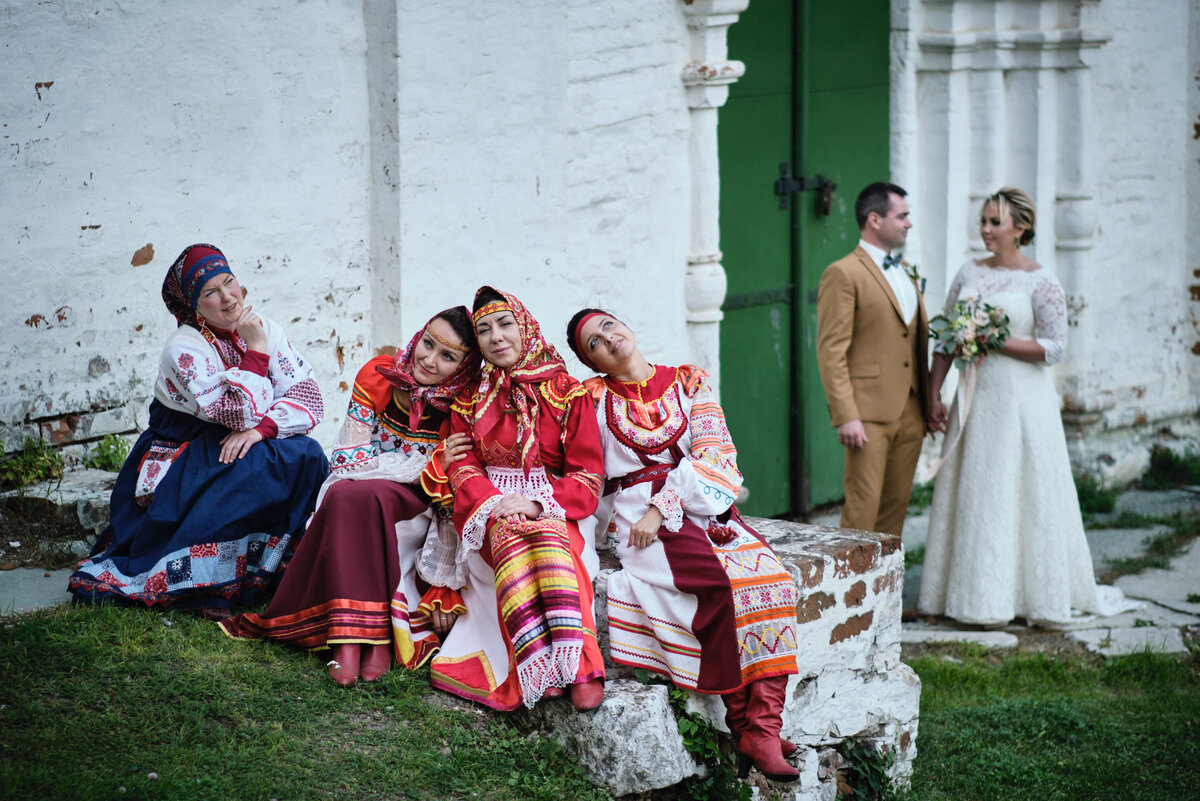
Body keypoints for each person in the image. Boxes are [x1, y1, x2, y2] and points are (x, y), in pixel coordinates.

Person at [567, 309, 802, 783]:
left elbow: (715, 451)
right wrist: (650, 512)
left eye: (609, 326)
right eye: (594, 342)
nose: (608, 340)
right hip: (638, 517)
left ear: (627, 326)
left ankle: (764, 726)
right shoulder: (591, 401)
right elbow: (588, 471)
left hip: (700, 503)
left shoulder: (688, 381)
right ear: (592, 362)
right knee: (714, 584)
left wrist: (669, 502)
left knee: (771, 581)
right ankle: (748, 727)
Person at [219, 308, 480, 684]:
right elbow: (348, 458)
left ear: (463, 368)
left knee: (361, 499)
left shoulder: (463, 406)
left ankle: (364, 641)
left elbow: (447, 485)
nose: (428, 359)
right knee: (347, 497)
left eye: (448, 357)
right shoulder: (379, 375)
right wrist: (419, 464)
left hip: (415, 507)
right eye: (428, 344)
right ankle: (357, 639)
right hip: (356, 484)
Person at [68, 244, 328, 616]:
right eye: (210, 293)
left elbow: (308, 394)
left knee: (306, 455)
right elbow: (236, 414)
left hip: (241, 440)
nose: (227, 298)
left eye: (229, 283)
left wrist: (263, 430)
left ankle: (271, 566)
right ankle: (211, 577)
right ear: (194, 305)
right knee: (256, 469)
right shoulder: (184, 349)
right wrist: (256, 353)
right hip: (185, 452)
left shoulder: (265, 327)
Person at [917, 188, 1136, 626]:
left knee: (1018, 489)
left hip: (1022, 401)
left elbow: (1054, 347)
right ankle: (965, 596)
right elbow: (944, 338)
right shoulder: (968, 272)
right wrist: (933, 394)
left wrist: (995, 339)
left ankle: (1021, 595)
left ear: (1019, 229)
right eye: (982, 221)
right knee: (976, 488)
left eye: (994, 223)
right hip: (975, 398)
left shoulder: (1041, 280)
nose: (984, 230)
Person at [429, 287, 607, 712]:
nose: (496, 337)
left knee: (550, 542)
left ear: (524, 325)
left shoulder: (567, 393)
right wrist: (495, 505)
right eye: (484, 330)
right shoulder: (470, 400)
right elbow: (463, 467)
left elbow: (587, 476)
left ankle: (582, 667)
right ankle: (534, 667)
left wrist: (537, 504)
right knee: (511, 538)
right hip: (491, 508)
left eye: (505, 324)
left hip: (558, 505)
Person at [816, 182, 946, 537]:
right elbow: (831, 350)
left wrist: (930, 402)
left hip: (911, 410)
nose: (909, 223)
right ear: (875, 219)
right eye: (902, 216)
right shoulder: (843, 273)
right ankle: (853, 592)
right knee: (862, 510)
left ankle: (886, 591)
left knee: (894, 512)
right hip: (867, 415)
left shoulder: (906, 273)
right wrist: (846, 415)